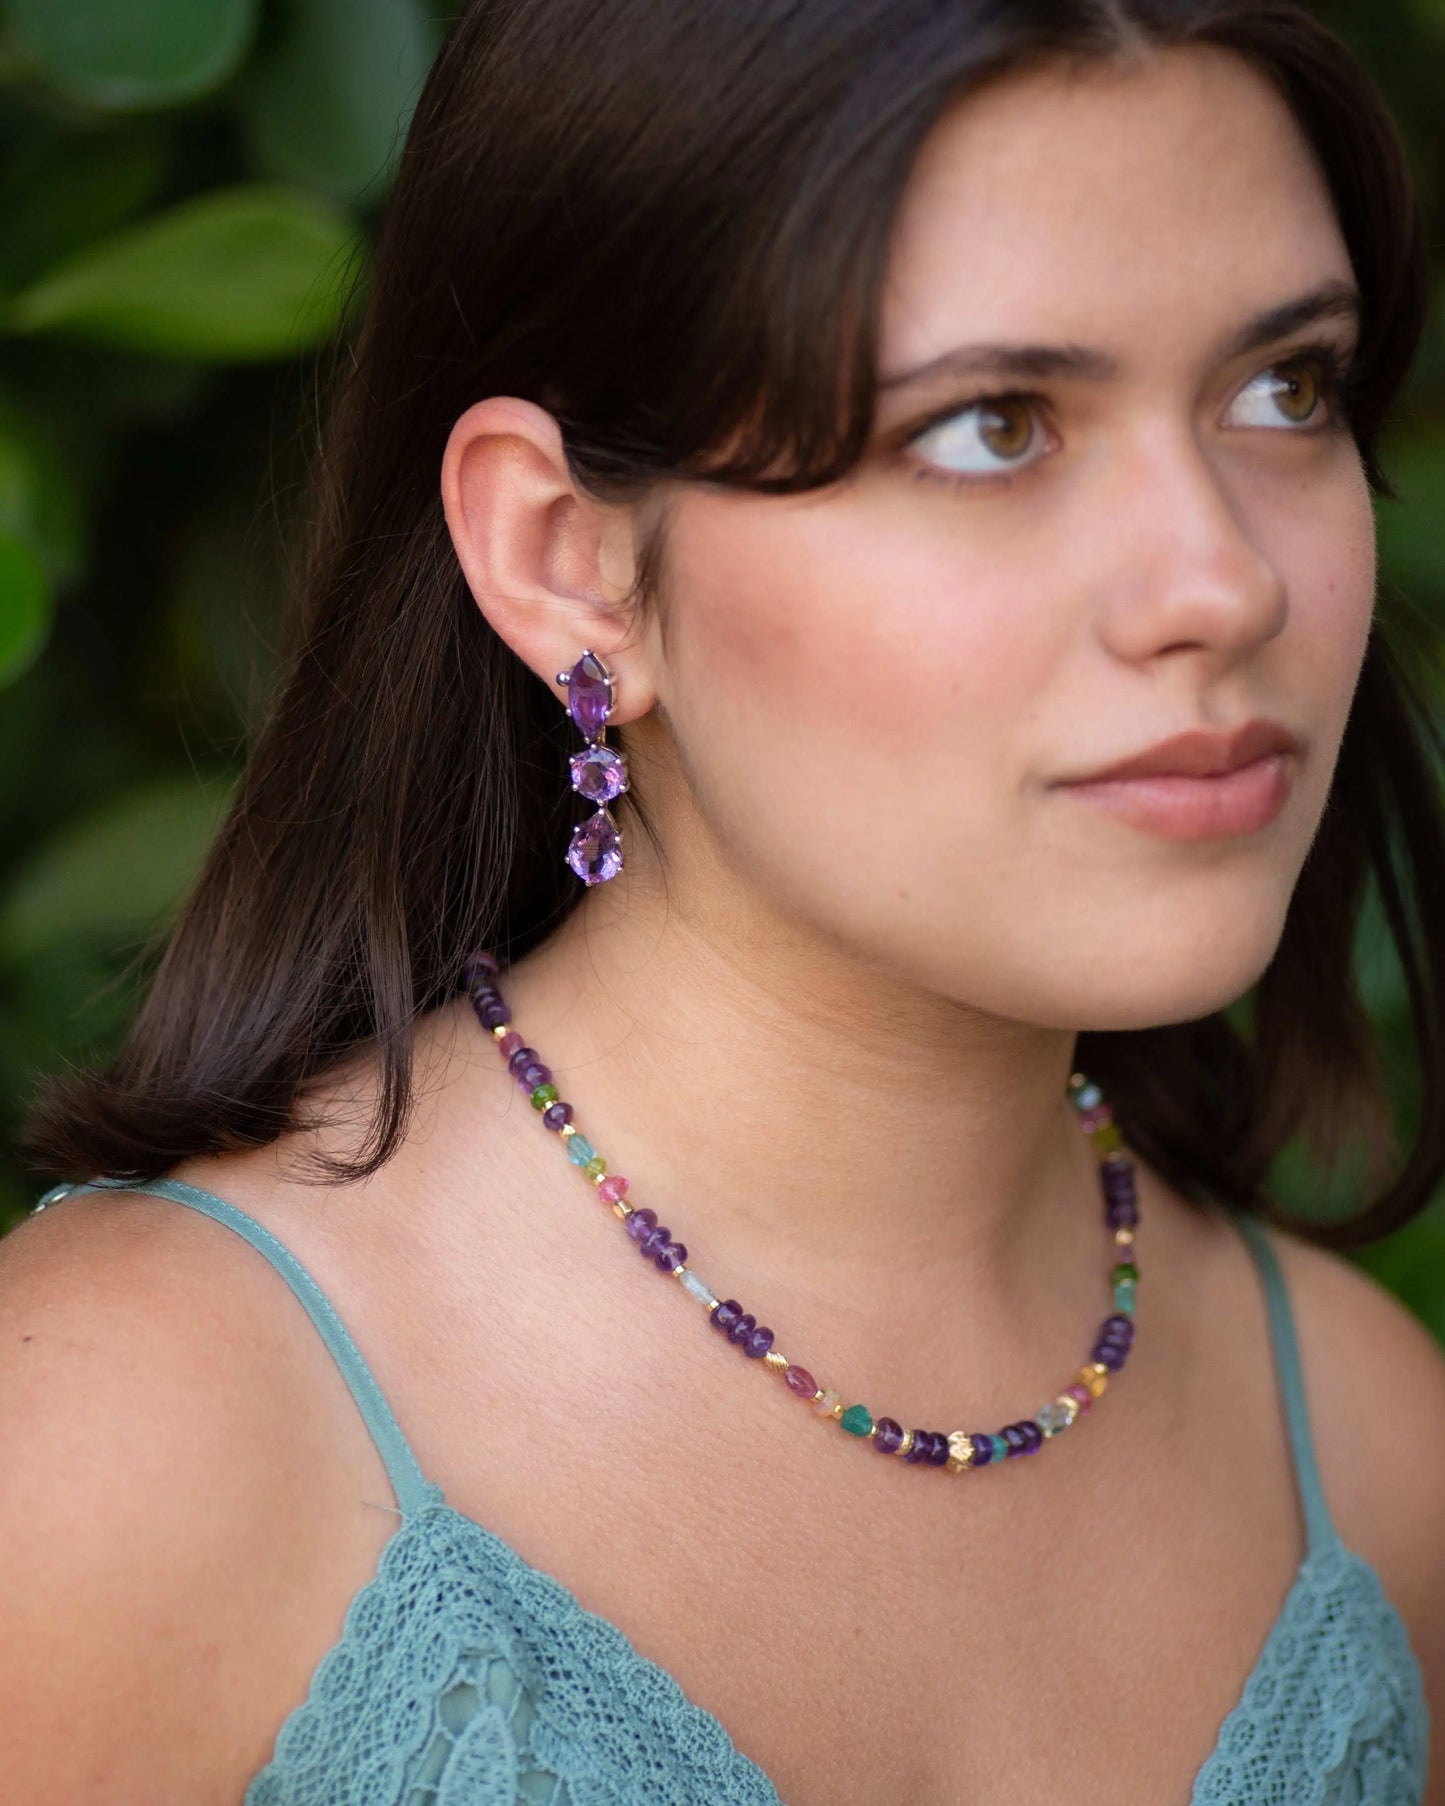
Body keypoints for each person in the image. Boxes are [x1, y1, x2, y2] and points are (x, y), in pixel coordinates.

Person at [2, 1, 1442, 1801]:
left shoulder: (1371, 1456)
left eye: (1281, 386)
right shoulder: (130, 1439)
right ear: (564, 555)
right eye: (995, 425)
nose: (1223, 580)